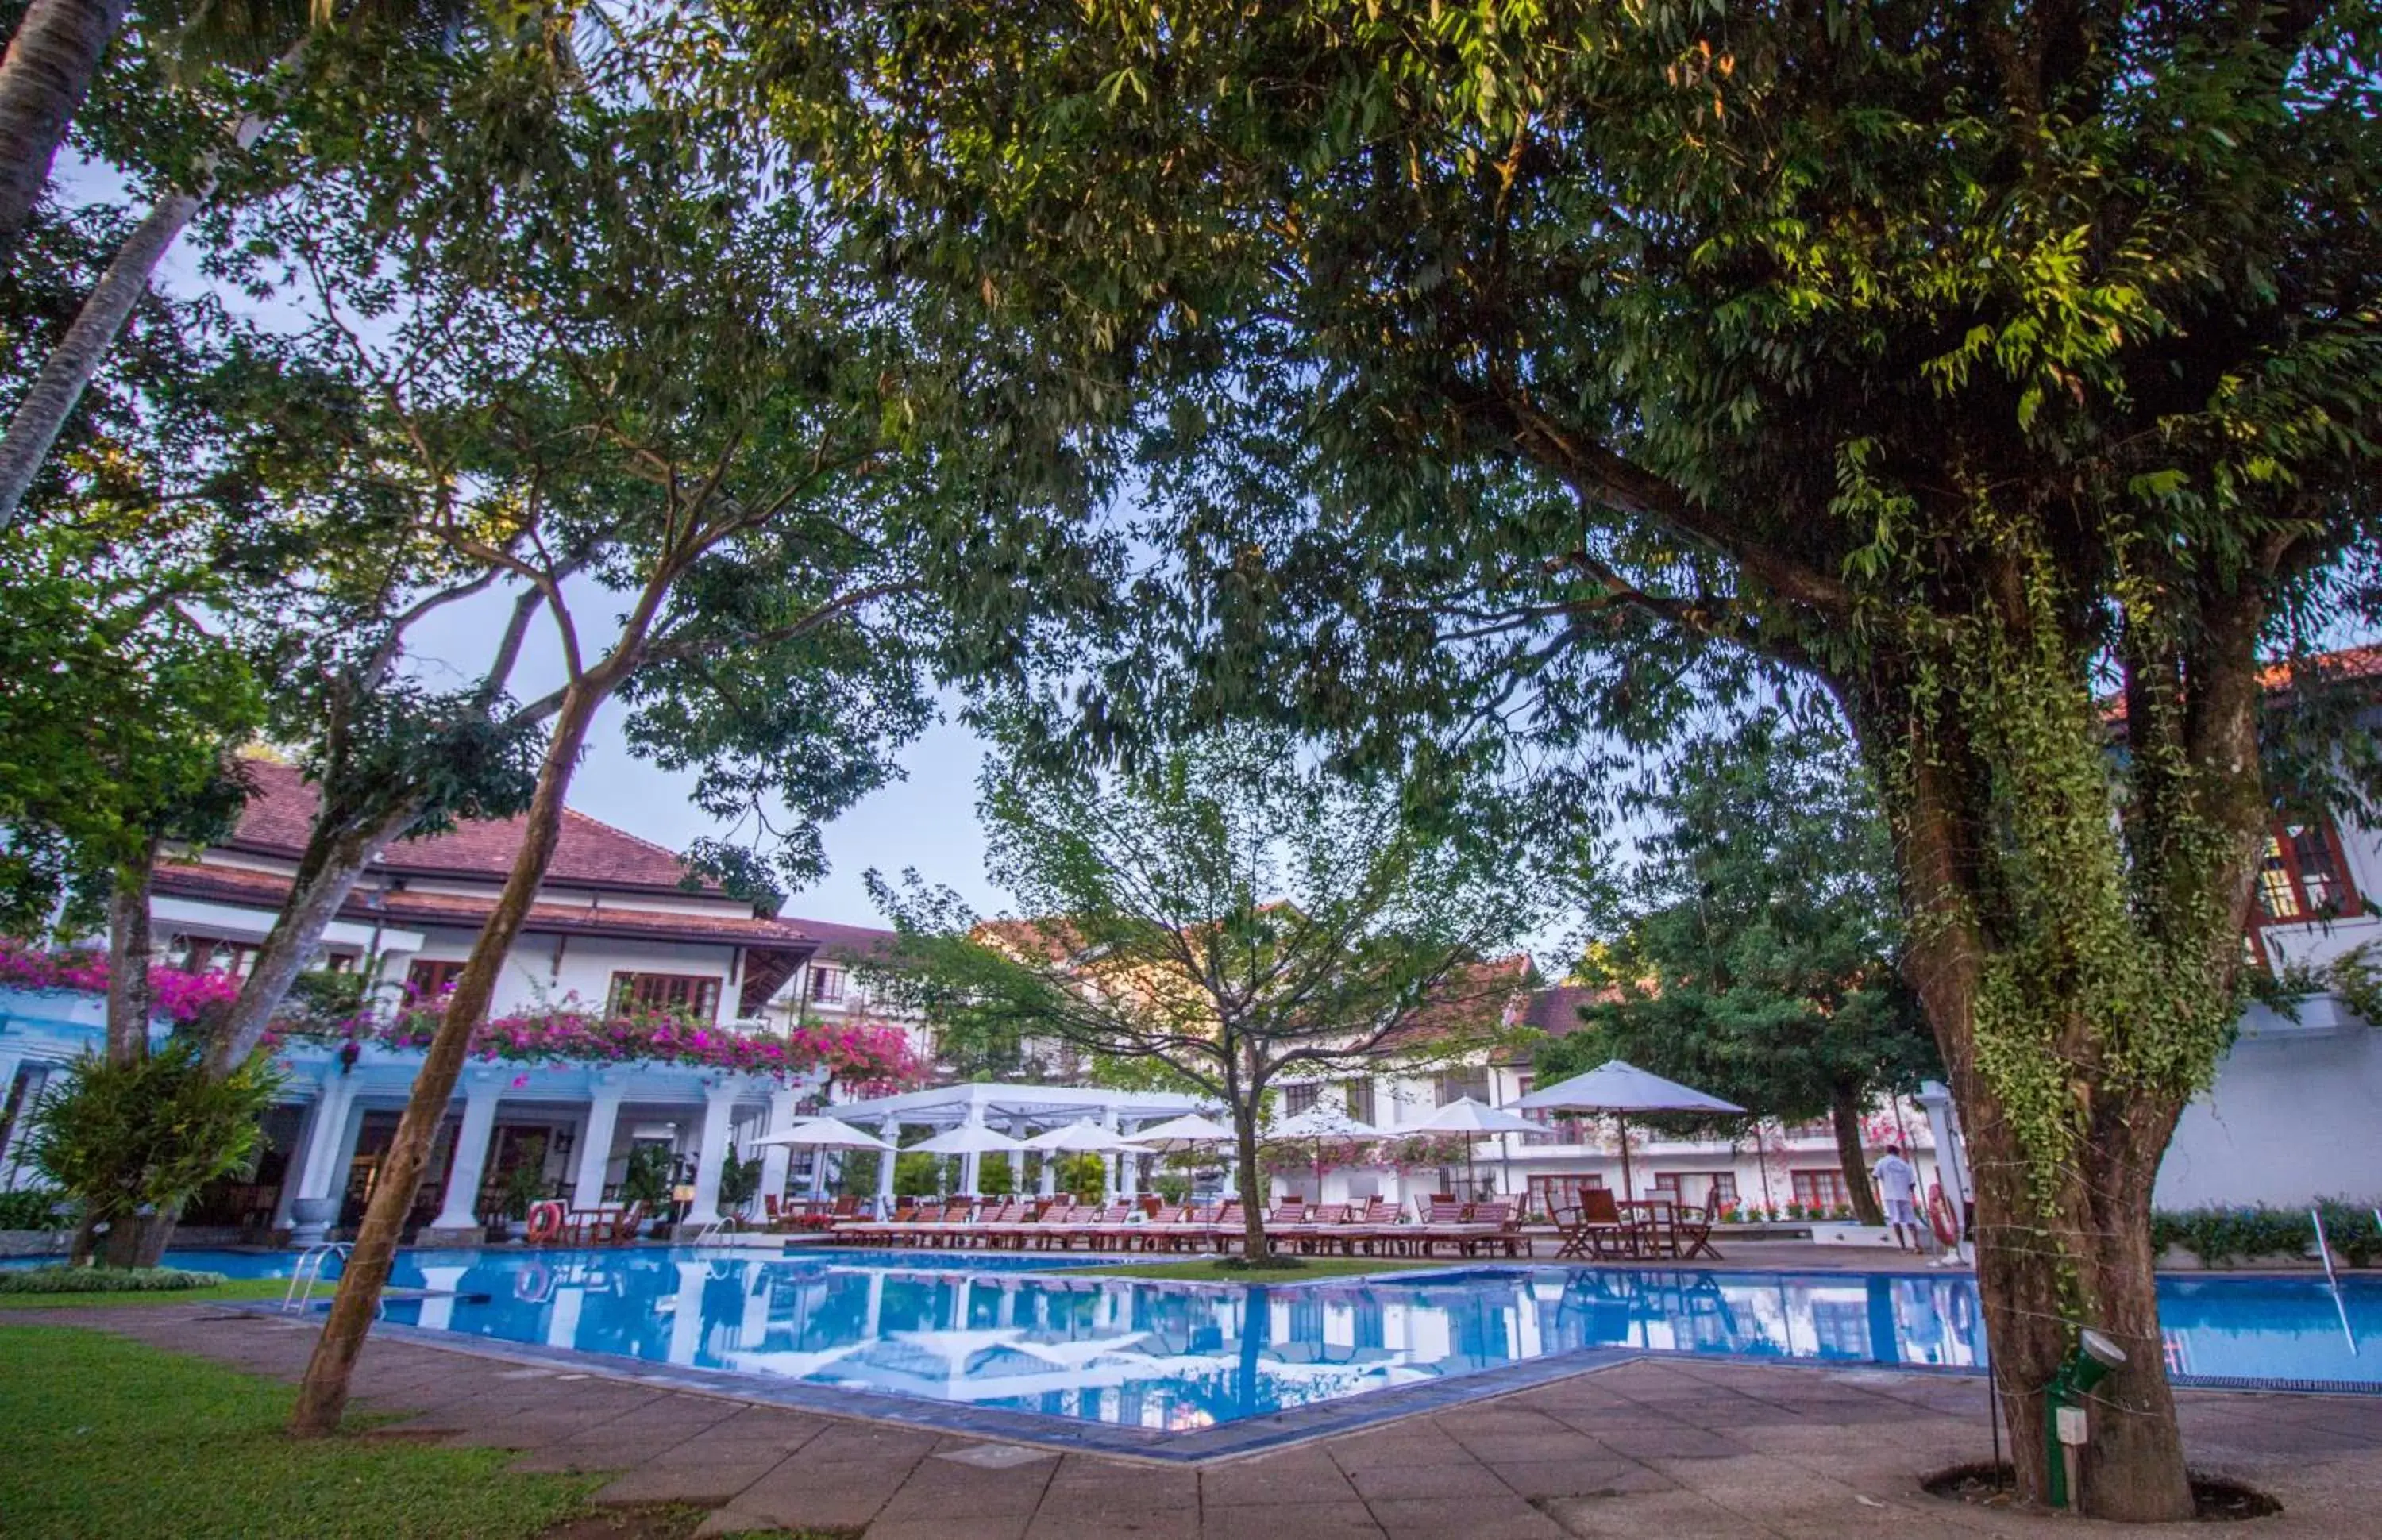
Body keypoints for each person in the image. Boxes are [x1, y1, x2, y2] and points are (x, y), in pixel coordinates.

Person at [1871, 1145, 1925, 1253]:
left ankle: (1903, 1247)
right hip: (1905, 1196)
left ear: (1887, 1151)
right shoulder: (1905, 1165)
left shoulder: (1882, 1162)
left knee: (1896, 1220)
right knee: (1911, 1220)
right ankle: (1916, 1244)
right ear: (1898, 1153)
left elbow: (1875, 1176)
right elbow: (1912, 1184)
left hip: (1891, 1195)